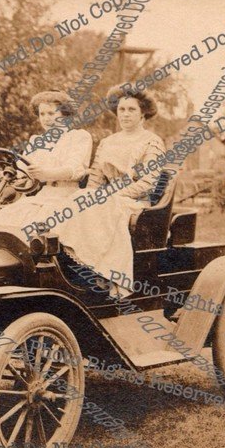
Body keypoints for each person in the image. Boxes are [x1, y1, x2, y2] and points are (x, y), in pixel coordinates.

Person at [55, 87, 166, 296]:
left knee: (103, 206)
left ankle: (106, 276)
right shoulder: (108, 142)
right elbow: (95, 180)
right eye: (121, 109)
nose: (125, 114)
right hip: (105, 199)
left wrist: (114, 196)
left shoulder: (152, 141)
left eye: (131, 109)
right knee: (80, 200)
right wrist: (92, 197)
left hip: (135, 202)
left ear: (143, 114)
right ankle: (78, 267)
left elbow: (148, 183)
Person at [0, 90, 92, 228]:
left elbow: (74, 169)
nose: (46, 118)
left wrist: (45, 174)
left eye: (51, 113)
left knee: (42, 220)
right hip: (43, 195)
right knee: (6, 215)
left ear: (64, 114)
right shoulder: (36, 141)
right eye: (42, 114)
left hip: (67, 195)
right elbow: (20, 172)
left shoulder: (78, 137)